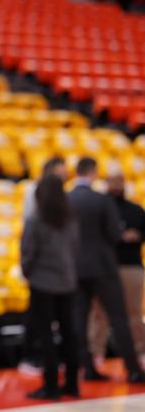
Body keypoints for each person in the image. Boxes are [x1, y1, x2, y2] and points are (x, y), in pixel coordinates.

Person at [68, 157, 145, 383]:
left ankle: (87, 367)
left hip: (77, 269)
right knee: (118, 317)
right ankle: (133, 368)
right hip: (103, 268)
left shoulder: (67, 200)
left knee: (82, 319)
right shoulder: (101, 201)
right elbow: (113, 234)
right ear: (93, 173)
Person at [21, 174, 80, 400]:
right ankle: (73, 383)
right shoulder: (70, 218)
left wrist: (29, 272)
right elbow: (76, 248)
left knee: (45, 335)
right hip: (67, 281)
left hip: (42, 283)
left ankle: (51, 384)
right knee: (69, 333)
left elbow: (28, 253)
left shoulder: (36, 219)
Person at [88, 171, 145, 368]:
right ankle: (96, 355)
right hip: (104, 267)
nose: (116, 185)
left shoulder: (136, 210)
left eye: (119, 181)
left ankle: (140, 352)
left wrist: (135, 235)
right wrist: (119, 236)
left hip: (130, 266)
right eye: (112, 181)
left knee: (134, 312)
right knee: (99, 314)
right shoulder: (99, 208)